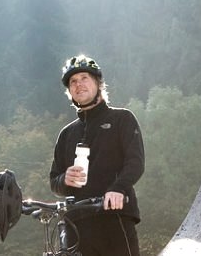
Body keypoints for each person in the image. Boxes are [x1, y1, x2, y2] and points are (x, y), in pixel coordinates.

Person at [49, 55, 145, 256]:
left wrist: (118, 189)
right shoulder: (66, 133)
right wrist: (64, 179)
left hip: (114, 215)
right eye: (73, 82)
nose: (78, 84)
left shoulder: (122, 119)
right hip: (77, 224)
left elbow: (135, 162)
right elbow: (54, 182)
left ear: (98, 83)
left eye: (84, 78)